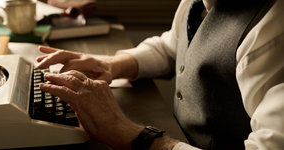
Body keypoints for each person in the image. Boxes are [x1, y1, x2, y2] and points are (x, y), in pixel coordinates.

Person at [35, 0, 284, 149]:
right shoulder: (197, 3)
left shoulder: (274, 27)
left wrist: (129, 133)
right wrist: (113, 64)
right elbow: (172, 46)